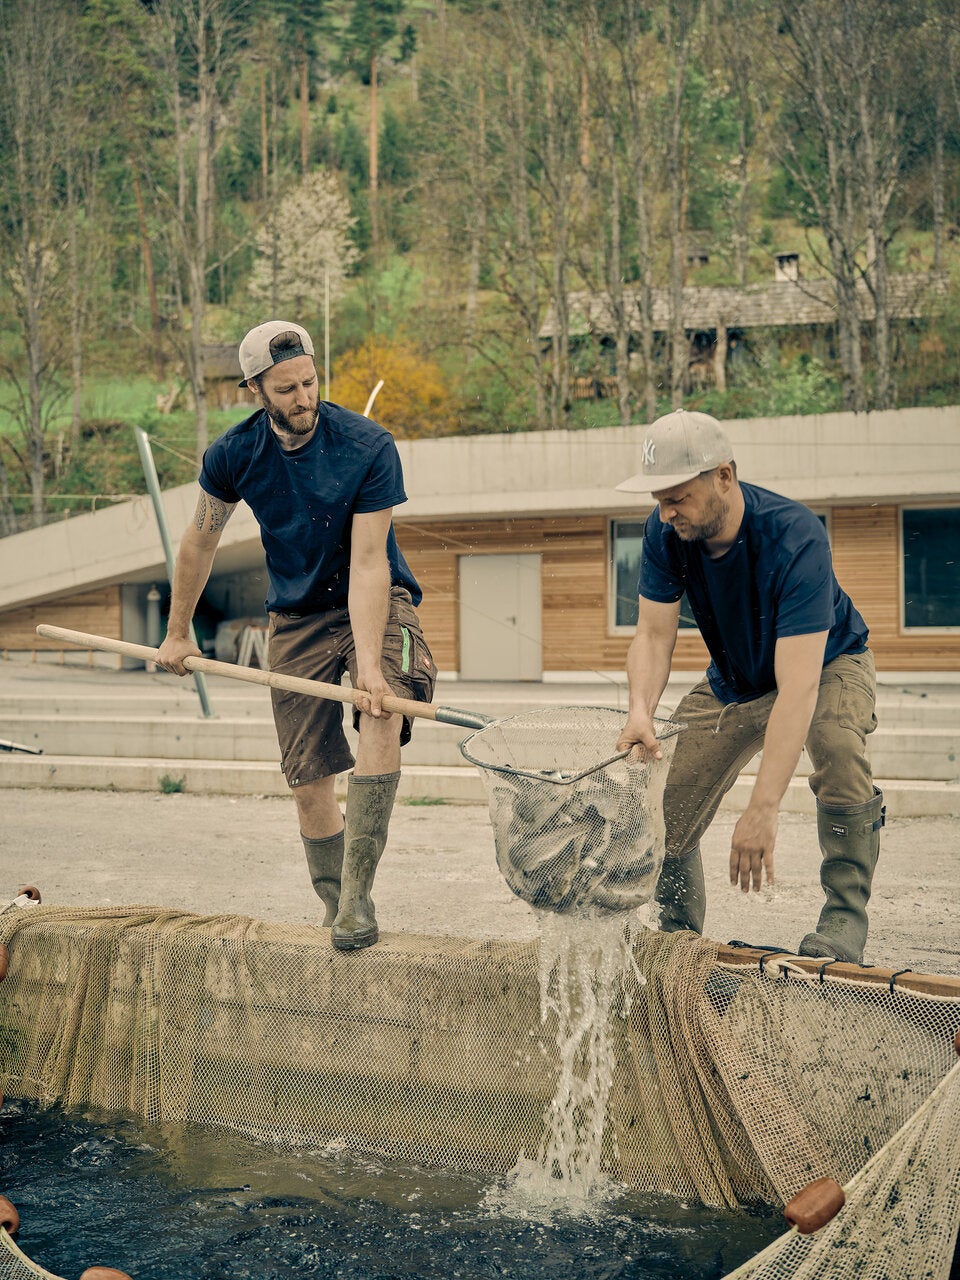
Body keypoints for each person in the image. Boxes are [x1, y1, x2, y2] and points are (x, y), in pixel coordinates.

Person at [157, 320, 436, 952]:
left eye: (310, 382)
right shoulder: (233, 454)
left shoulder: (367, 445)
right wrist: (178, 634)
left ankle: (360, 895)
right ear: (256, 389)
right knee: (308, 778)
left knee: (385, 706)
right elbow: (200, 540)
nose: (303, 397)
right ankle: (338, 905)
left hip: (375, 598)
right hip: (296, 616)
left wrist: (368, 666)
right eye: (285, 388)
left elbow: (369, 564)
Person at [614, 408, 883, 963]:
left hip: (829, 665)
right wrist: (641, 710)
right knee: (665, 797)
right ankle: (677, 934)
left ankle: (843, 920)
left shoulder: (795, 537)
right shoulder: (666, 531)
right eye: (658, 500)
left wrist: (763, 807)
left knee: (835, 743)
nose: (667, 514)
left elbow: (800, 688)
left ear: (724, 476)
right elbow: (652, 635)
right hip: (735, 679)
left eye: (679, 498)